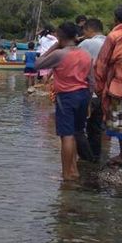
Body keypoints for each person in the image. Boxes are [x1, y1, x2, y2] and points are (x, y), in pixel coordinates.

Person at [35, 22, 93, 181]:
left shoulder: (60, 54)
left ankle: (67, 174)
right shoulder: (86, 54)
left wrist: (54, 46)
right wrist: (88, 101)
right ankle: (73, 170)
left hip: (66, 96)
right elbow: (91, 80)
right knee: (76, 132)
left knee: (66, 136)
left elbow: (38, 64)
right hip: (83, 94)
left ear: (60, 36)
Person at [94, 5, 122, 163]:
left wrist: (99, 88)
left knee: (120, 121)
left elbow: (101, 63)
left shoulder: (114, 36)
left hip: (118, 84)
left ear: (115, 19)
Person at [78, 18, 106, 161]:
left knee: (78, 128)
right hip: (107, 91)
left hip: (90, 91)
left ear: (89, 29)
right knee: (97, 128)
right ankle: (96, 156)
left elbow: (75, 62)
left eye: (84, 30)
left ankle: (85, 158)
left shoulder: (87, 43)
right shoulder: (110, 41)